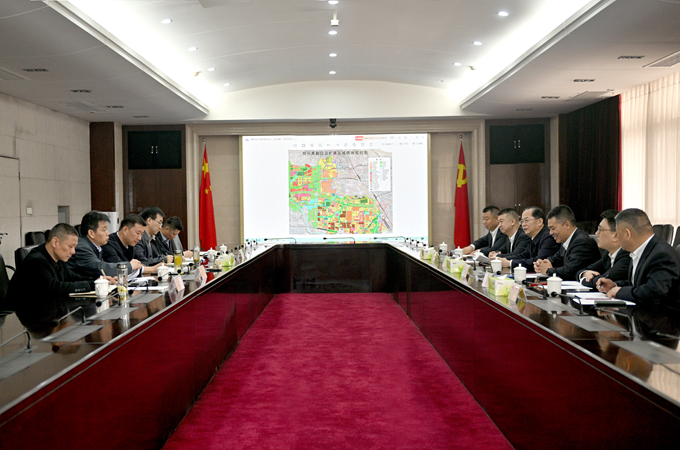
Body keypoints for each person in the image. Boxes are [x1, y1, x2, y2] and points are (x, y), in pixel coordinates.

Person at [6, 224, 107, 309]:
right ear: (55, 242)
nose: (73, 252)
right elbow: (55, 288)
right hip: (25, 314)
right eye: (70, 246)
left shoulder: (56, 258)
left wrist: (99, 280)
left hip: (47, 310)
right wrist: (93, 285)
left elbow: (72, 277)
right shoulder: (36, 261)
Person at [597, 208, 680, 307]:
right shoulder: (640, 250)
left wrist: (620, 291)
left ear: (627, 234)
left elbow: (653, 291)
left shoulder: (662, 254)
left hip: (662, 314)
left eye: (618, 234)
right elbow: (638, 284)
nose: (617, 238)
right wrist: (615, 285)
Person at [534, 205, 601, 280]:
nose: (550, 233)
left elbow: (569, 271)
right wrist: (542, 263)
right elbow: (556, 258)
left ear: (567, 225)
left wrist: (547, 270)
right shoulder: (567, 240)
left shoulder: (582, 242)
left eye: (553, 228)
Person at [576, 210, 630, 288]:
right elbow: (581, 270)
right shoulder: (608, 254)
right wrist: (585, 273)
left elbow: (602, 281)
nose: (596, 233)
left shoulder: (627, 256)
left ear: (615, 235)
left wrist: (585, 279)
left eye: (600, 230)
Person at [67, 211, 123, 278]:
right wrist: (129, 266)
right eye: (104, 230)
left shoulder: (95, 246)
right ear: (91, 233)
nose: (108, 233)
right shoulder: (82, 247)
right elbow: (100, 268)